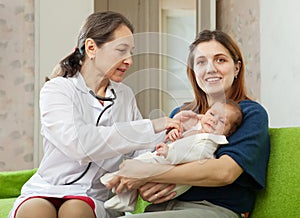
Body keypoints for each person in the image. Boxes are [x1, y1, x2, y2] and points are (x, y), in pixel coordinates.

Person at [9, 11, 182, 218]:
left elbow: (137, 151)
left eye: (131, 53)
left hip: (92, 195)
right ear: (91, 48)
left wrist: (170, 136)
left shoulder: (124, 95)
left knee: (75, 210)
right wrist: (153, 125)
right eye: (121, 51)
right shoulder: (57, 89)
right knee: (34, 212)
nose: (129, 61)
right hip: (47, 188)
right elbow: (79, 145)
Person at [106, 29, 270, 218]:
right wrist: (146, 186)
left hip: (212, 210)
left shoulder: (250, 113)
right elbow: (161, 158)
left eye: (220, 60)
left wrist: (148, 173)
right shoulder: (181, 115)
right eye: (201, 62)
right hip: (161, 209)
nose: (211, 69)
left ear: (237, 68)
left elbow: (224, 172)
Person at [101, 100, 243, 212]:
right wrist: (172, 135)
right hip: (168, 170)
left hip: (178, 178)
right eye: (212, 114)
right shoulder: (194, 126)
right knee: (139, 164)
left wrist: (170, 153)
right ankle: (124, 197)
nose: (213, 120)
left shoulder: (211, 141)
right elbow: (173, 142)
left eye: (222, 121)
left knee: (141, 163)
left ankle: (111, 182)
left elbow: (195, 155)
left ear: (228, 132)